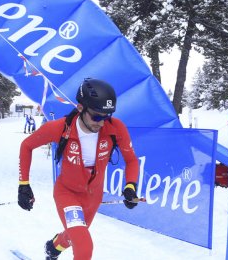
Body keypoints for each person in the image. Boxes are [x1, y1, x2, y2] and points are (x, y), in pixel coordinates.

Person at [18, 78, 140, 260]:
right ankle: (55, 247)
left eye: (106, 116)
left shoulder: (115, 128)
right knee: (84, 247)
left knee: (73, 236)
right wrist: (24, 184)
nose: (101, 122)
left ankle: (53, 247)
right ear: (81, 107)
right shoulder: (60, 128)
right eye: (97, 116)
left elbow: (131, 160)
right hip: (67, 193)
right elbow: (26, 146)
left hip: (93, 197)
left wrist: (130, 186)